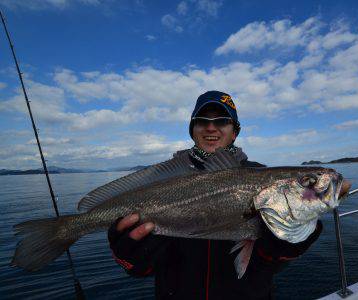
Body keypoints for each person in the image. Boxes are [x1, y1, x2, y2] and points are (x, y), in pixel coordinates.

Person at [107, 91, 323, 300]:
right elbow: (143, 270)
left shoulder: (265, 180)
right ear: (193, 130)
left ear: (235, 132)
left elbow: (272, 264)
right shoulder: (163, 183)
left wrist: (288, 244)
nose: (211, 127)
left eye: (221, 121)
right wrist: (130, 256)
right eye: (202, 121)